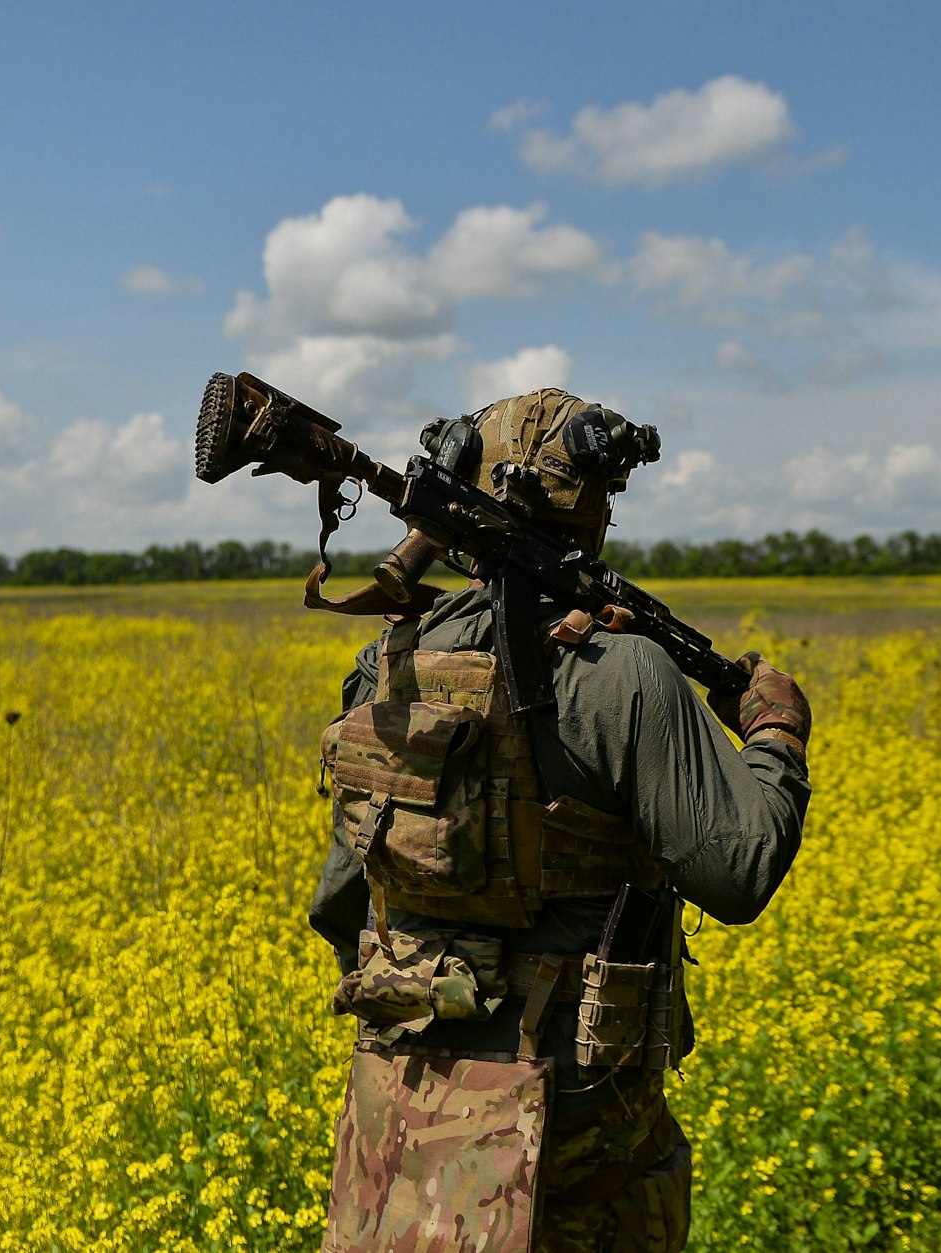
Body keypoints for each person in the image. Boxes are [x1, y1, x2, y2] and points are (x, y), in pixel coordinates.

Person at [308, 388, 812, 1251]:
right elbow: (740, 870)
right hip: (572, 1129)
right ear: (594, 508)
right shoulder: (626, 674)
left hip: (402, 1113)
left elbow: (341, 903)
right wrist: (776, 733)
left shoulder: (385, 661)